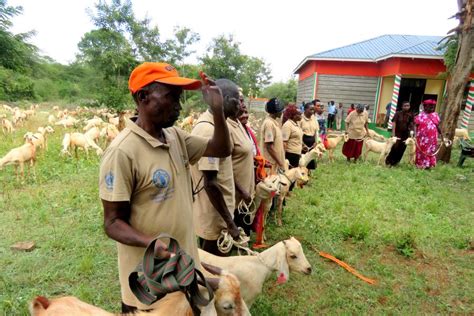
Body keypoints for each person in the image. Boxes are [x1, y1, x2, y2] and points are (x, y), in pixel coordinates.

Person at [99, 62, 231, 312]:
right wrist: (151, 242)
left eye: (179, 98)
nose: (179, 106)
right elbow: (112, 222)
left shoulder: (175, 137)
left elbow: (222, 148)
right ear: (143, 97)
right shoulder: (122, 152)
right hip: (150, 283)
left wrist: (217, 111)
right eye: (171, 96)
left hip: (184, 270)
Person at [191, 79, 241, 256]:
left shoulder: (219, 126)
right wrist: (230, 223)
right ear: (223, 99)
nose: (239, 104)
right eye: (236, 99)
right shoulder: (207, 130)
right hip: (214, 217)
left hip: (220, 212)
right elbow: (210, 183)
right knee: (212, 265)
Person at [228, 89, 255, 236]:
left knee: (245, 231)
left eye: (243, 101)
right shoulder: (226, 127)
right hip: (236, 195)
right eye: (240, 101)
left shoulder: (239, 124)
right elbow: (224, 167)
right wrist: (242, 190)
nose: (243, 105)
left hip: (245, 192)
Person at [414, 99, 443, 169]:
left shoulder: (435, 115)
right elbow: (415, 125)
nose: (431, 108)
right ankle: (420, 165)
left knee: (431, 150)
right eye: (429, 106)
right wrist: (415, 134)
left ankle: (429, 165)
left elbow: (437, 126)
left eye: (433, 107)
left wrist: (441, 134)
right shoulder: (420, 115)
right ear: (425, 107)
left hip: (432, 138)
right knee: (422, 150)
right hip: (422, 138)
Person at [260, 98, 285, 174]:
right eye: (281, 110)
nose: (282, 112)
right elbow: (269, 147)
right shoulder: (269, 124)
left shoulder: (273, 122)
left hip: (275, 163)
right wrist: (281, 163)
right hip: (270, 164)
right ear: (275, 112)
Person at [385, 101, 413, 166]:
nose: (406, 107)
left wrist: (411, 133)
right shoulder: (398, 113)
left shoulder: (410, 115)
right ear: (402, 107)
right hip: (397, 133)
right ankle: (389, 161)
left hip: (405, 134)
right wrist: (393, 133)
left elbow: (412, 124)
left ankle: (396, 162)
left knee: (402, 148)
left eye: (408, 105)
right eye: (405, 106)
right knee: (395, 147)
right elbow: (394, 122)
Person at [282, 104, 303, 169]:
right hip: (290, 154)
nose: (301, 116)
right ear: (293, 116)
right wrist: (284, 157)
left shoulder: (297, 124)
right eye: (299, 114)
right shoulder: (288, 125)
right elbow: (284, 142)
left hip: (297, 153)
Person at [299, 102, 319, 171]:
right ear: (305, 109)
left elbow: (316, 131)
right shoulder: (300, 118)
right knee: (303, 161)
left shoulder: (314, 118)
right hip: (303, 142)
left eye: (313, 110)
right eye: (311, 109)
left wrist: (316, 142)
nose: (312, 111)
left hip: (312, 142)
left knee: (311, 159)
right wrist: (302, 144)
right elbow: (298, 133)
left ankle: (309, 174)